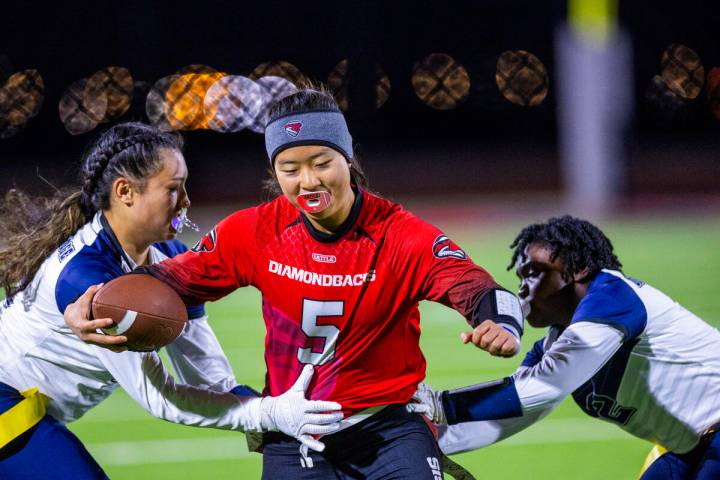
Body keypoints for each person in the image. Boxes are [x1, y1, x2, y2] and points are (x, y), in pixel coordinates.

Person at [65, 89, 525, 479]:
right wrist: (92, 307)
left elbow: (475, 286)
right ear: (274, 172)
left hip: (389, 425)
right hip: (294, 427)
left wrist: (500, 322)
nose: (308, 181)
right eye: (290, 169)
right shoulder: (254, 232)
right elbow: (168, 281)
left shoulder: (400, 234)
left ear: (347, 158)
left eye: (322, 162)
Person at [0, 122, 343, 479]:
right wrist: (267, 413)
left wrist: (272, 417)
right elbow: (159, 396)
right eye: (173, 189)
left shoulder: (170, 260)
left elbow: (210, 376)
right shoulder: (89, 278)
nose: (187, 201)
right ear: (125, 192)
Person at [408, 215, 720, 480]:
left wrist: (440, 405)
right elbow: (513, 413)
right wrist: (416, 439)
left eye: (533, 272)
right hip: (687, 446)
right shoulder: (554, 346)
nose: (522, 288)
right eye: (519, 278)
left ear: (579, 268)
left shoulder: (613, 295)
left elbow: (546, 385)